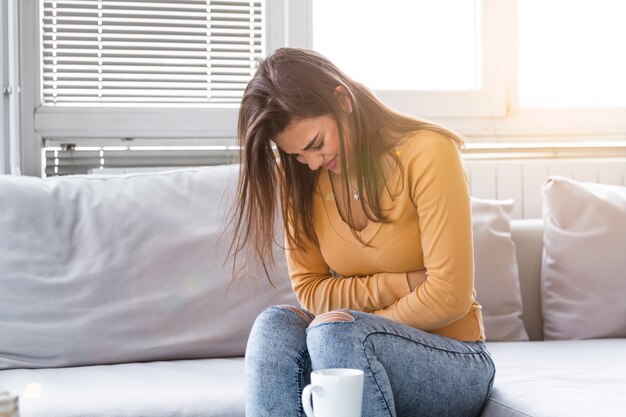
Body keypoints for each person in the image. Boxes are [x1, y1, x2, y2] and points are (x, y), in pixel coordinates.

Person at [229, 47, 495, 417]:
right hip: (346, 348)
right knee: (274, 326)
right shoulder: (302, 180)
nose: (312, 162)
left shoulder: (429, 152)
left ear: (343, 101)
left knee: (334, 335)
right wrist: (404, 284)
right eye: (297, 156)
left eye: (316, 144)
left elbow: (450, 296)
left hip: (453, 359)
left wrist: (355, 328)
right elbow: (310, 291)